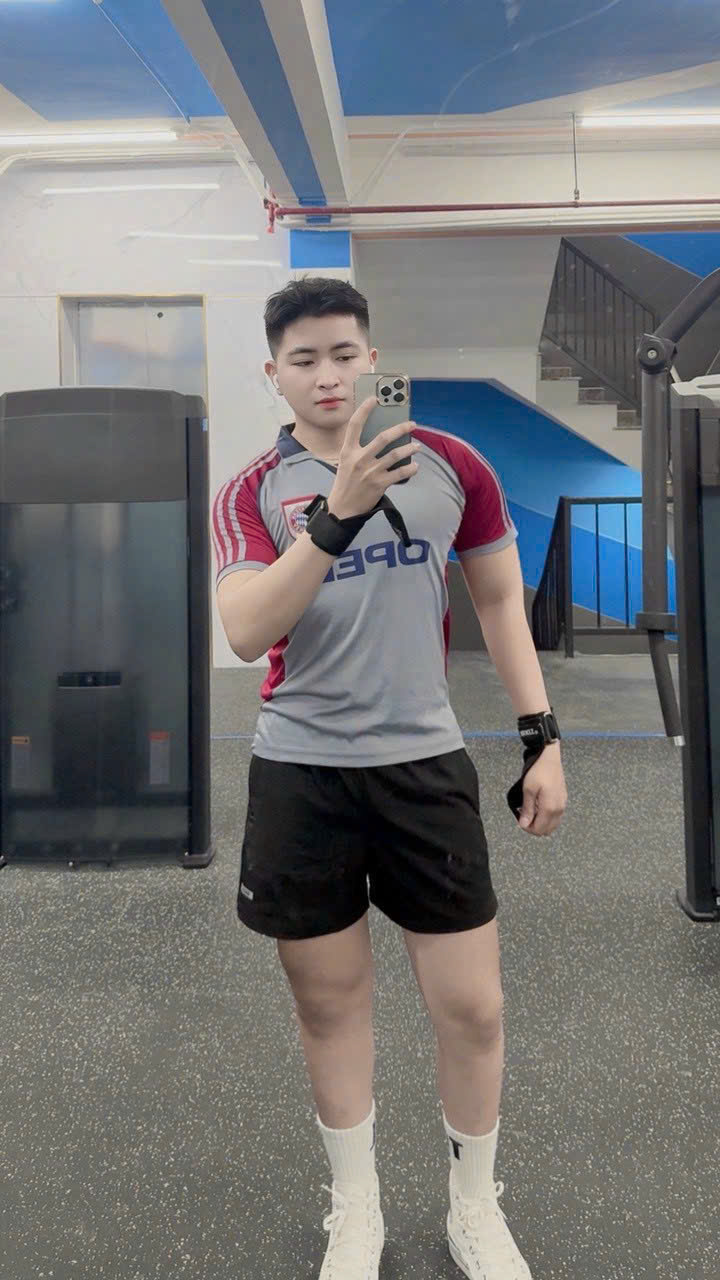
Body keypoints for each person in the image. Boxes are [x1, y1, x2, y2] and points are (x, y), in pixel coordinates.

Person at [212, 276, 567, 1279]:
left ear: (372, 360)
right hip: (303, 772)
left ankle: (473, 1208)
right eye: (304, 359)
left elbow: (497, 599)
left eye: (343, 353)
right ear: (274, 374)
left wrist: (541, 733)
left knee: (474, 1006)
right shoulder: (251, 491)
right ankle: (356, 1211)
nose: (326, 375)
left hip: (423, 766)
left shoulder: (452, 463)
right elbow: (246, 629)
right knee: (331, 1007)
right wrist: (334, 516)